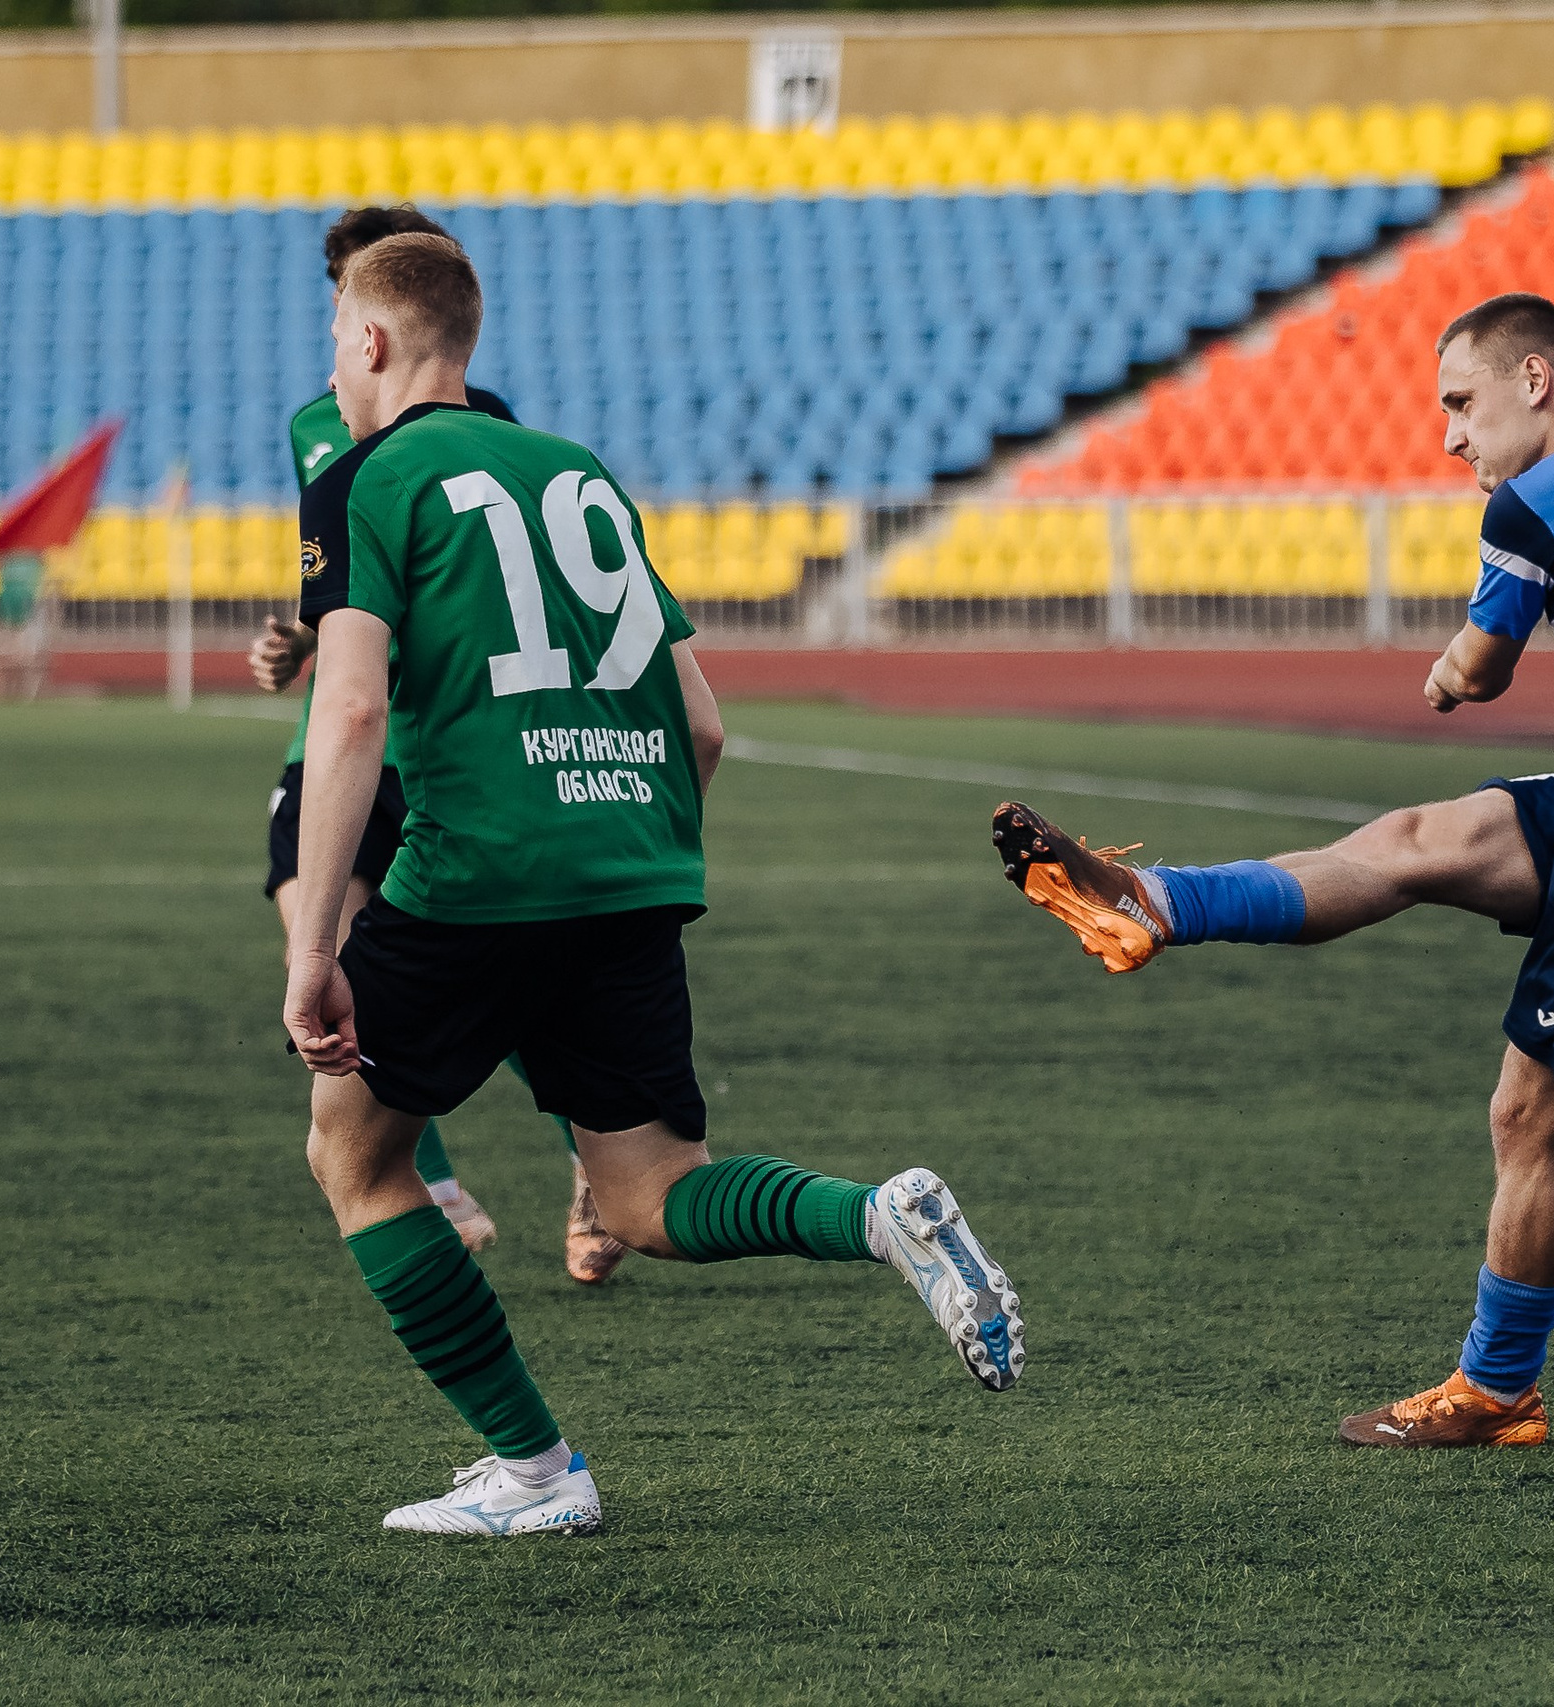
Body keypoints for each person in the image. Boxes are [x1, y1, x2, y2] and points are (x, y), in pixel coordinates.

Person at [988, 293, 1554, 1449]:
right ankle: (1151, 903)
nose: (1450, 437)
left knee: (1529, 1123)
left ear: (1534, 381)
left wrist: (1448, 675)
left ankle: (1497, 1392)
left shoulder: (1532, 501)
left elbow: (1480, 671)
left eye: (1461, 402)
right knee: (1415, 843)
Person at [283, 234, 1023, 1536]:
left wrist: (314, 942)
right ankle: (878, 1213)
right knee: (645, 1190)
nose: (334, 365)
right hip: (630, 861)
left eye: (339, 338)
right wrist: (621, 839)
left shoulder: (366, 476)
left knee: (353, 1148)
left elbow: (347, 713)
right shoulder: (578, 471)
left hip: (478, 868)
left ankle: (535, 1469)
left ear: (376, 341)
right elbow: (708, 725)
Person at [251, 204, 628, 1284]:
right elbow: (344, 597)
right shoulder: (311, 430)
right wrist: (296, 645)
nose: (335, 319)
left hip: (443, 736)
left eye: (345, 300)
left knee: (478, 962)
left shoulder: (479, 424)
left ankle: (588, 1166)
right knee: (315, 920)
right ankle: (440, 1184)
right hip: (342, 727)